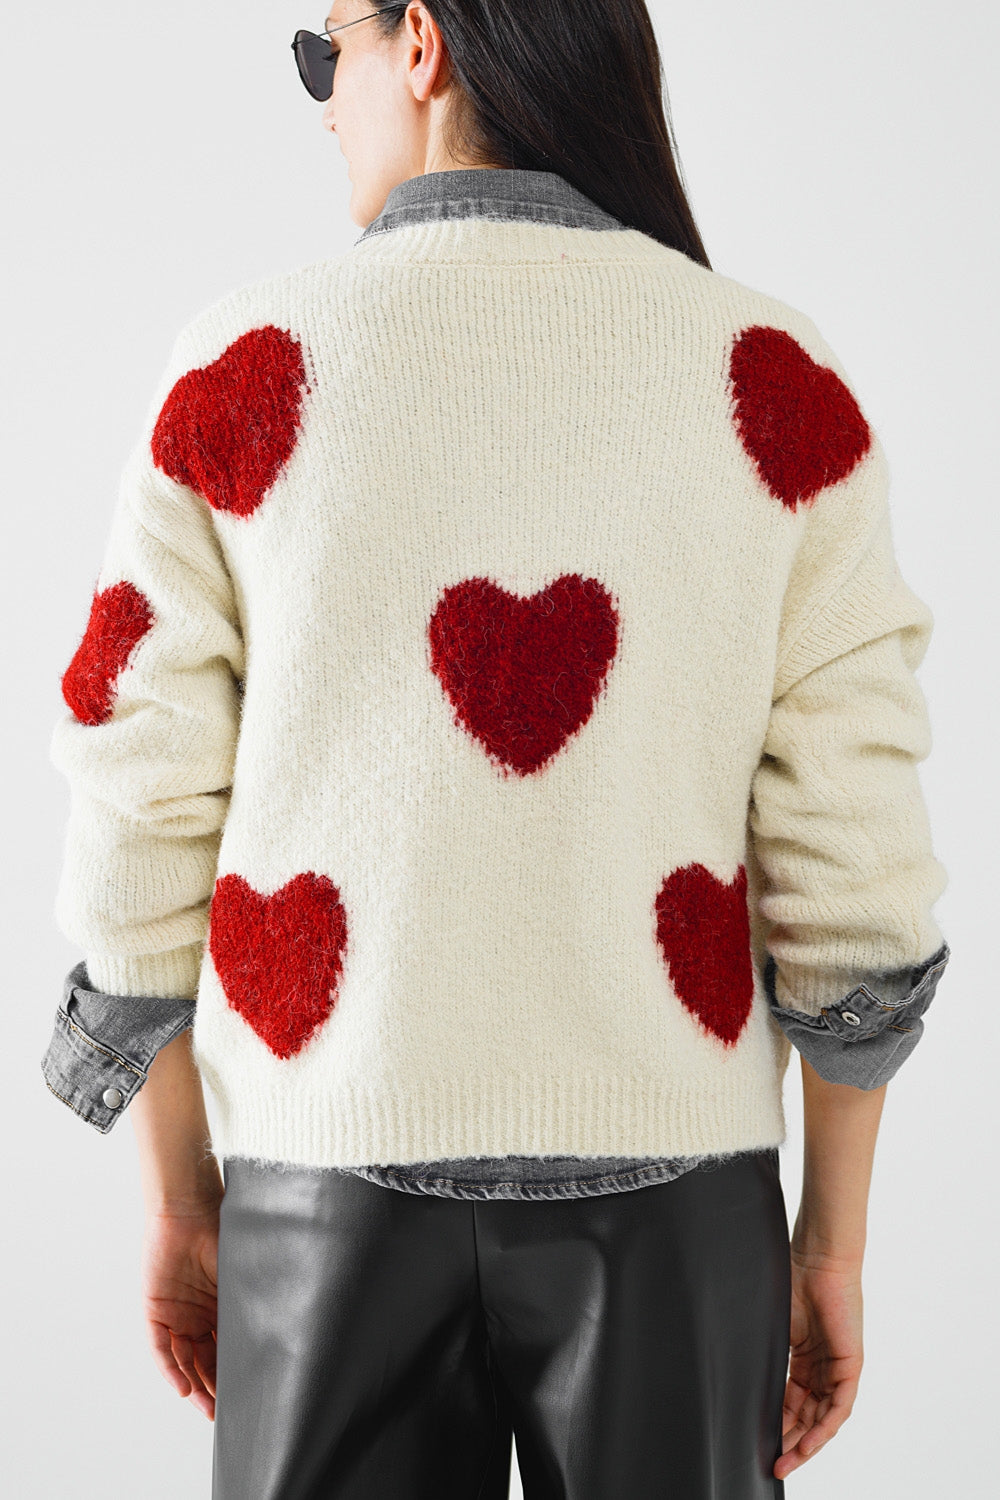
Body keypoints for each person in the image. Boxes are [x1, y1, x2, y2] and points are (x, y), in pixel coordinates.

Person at [40, 3, 950, 1496]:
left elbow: (139, 790)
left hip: (322, 1187)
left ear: (421, 42)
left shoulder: (245, 369)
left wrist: (183, 1193)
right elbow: (854, 860)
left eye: (322, 44)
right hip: (680, 1207)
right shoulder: (773, 378)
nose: (321, 98)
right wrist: (829, 1241)